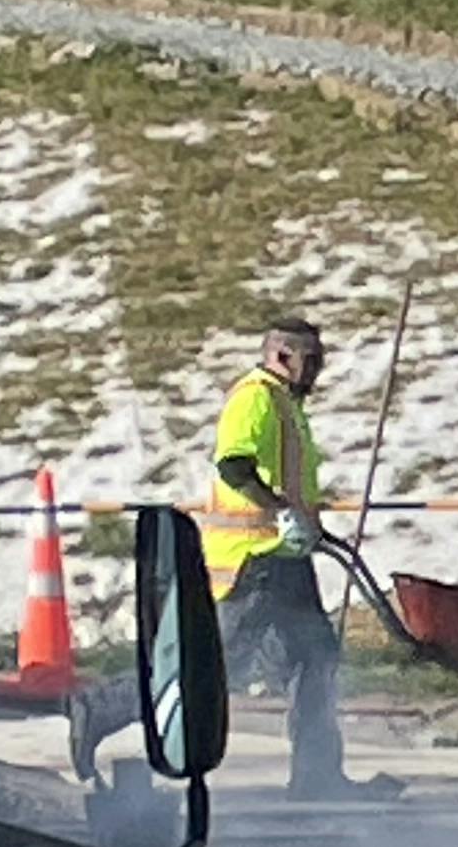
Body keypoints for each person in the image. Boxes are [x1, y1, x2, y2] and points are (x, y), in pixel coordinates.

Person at [73, 317, 389, 800]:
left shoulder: (287, 406)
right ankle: (102, 706)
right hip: (253, 563)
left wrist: (304, 523)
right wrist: (282, 513)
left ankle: (318, 777)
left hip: (285, 557)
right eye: (311, 360)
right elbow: (233, 465)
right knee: (214, 665)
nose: (318, 371)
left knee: (316, 658)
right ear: (281, 357)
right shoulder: (255, 397)